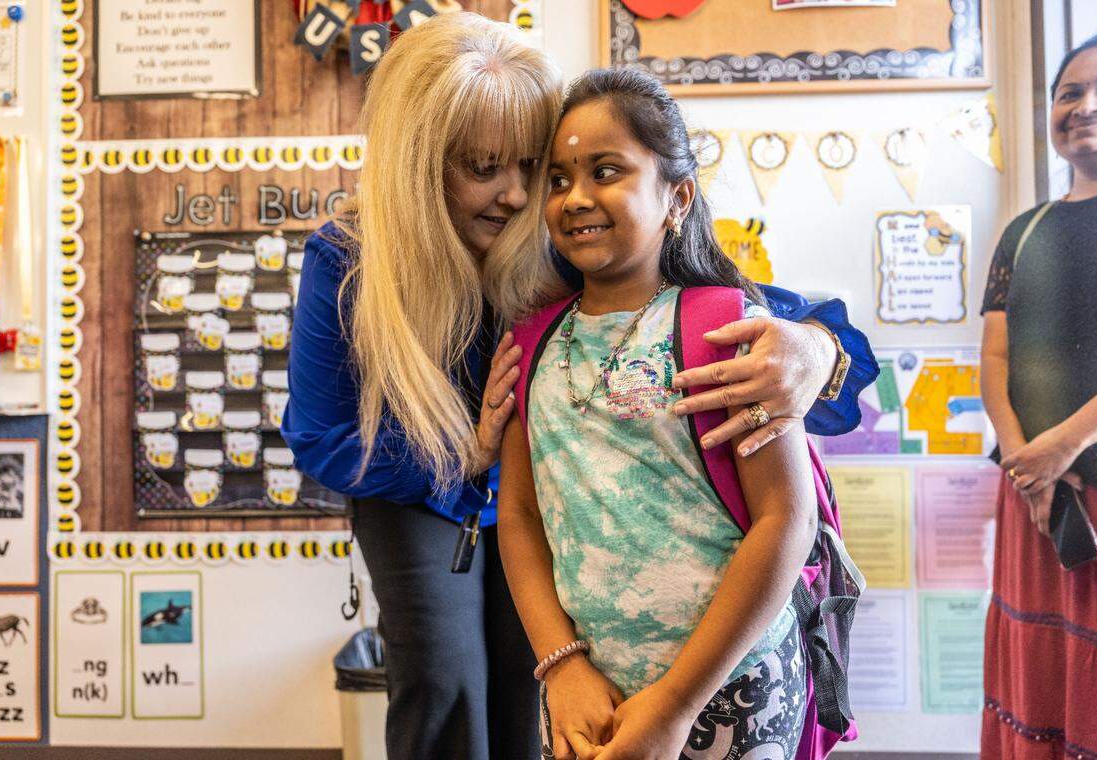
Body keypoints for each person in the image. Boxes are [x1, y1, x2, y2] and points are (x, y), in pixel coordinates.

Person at [284, 13, 875, 760]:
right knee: (442, 679)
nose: (515, 196)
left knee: (531, 681)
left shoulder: (565, 240)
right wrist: (465, 456)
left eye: (533, 168)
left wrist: (815, 350)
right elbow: (323, 438)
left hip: (549, 494)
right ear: (419, 166)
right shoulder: (346, 262)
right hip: (419, 487)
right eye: (481, 168)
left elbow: (763, 309)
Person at [498, 69, 821, 760]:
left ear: (677, 197)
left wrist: (675, 707)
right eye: (557, 179)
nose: (575, 197)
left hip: (731, 690)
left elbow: (786, 519)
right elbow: (521, 518)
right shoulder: (532, 342)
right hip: (589, 699)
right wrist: (562, 667)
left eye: (606, 170)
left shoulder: (727, 329)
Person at [979, 28, 1097, 760]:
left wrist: (1063, 445)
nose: (1087, 105)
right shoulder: (1023, 229)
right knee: (1035, 682)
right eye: (1069, 92)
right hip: (1035, 499)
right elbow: (997, 355)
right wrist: (1023, 461)